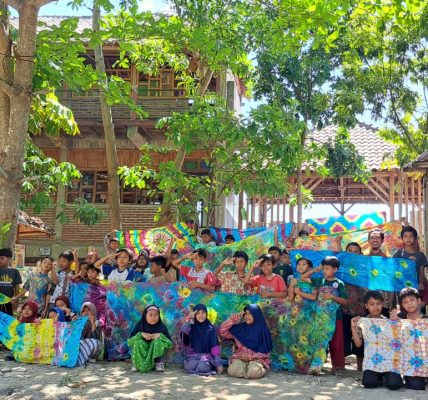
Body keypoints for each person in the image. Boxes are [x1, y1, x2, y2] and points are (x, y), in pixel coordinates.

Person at [350, 291, 399, 388]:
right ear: (366, 306)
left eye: (378, 303)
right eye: (372, 304)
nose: (375, 307)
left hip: (388, 361)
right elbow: (358, 344)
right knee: (369, 383)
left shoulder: (389, 322)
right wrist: (353, 328)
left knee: (394, 384)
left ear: (382, 304)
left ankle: (386, 377)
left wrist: (397, 324)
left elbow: (398, 342)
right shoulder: (363, 322)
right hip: (372, 362)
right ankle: (380, 377)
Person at [312, 256, 348, 375]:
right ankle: (317, 366)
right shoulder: (319, 281)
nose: (324, 271)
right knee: (319, 341)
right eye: (323, 268)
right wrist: (314, 270)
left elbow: (345, 301)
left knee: (336, 342)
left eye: (327, 268)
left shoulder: (340, 284)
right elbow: (303, 278)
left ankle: (337, 367)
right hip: (320, 318)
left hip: (336, 317)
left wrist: (332, 296)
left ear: (335, 269)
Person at [219, 304, 272, 379]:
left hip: (257, 359)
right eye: (246, 314)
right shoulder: (241, 328)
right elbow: (223, 331)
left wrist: (250, 357)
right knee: (232, 371)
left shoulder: (263, 331)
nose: (247, 316)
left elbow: (266, 353)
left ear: (256, 315)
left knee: (254, 372)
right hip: (240, 358)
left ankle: (252, 370)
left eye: (250, 314)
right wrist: (233, 320)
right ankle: (246, 371)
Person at [390, 288, 427, 390]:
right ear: (402, 305)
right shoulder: (399, 317)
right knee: (393, 383)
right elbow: (391, 339)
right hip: (401, 359)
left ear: (419, 301)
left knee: (417, 386)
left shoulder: (426, 320)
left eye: (412, 300)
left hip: (419, 362)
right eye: (405, 302)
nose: (409, 304)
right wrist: (393, 323)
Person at [342, 242, 366, 369]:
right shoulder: (341, 267)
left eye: (355, 251)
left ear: (360, 254)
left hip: (360, 309)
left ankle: (360, 366)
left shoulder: (364, 268)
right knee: (344, 336)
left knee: (360, 337)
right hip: (344, 308)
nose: (352, 253)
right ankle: (340, 365)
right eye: (349, 250)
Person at [127, 304, 173, 373]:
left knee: (158, 341)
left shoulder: (162, 327)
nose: (153, 317)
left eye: (156, 315)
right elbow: (129, 342)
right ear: (145, 316)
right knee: (138, 342)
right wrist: (141, 334)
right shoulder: (140, 326)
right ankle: (136, 364)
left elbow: (170, 344)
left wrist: (160, 335)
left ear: (159, 316)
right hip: (141, 354)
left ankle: (157, 363)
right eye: (150, 315)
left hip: (155, 355)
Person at [181, 304, 223, 375]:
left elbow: (214, 346)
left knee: (202, 367)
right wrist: (189, 319)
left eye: (203, 313)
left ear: (206, 314)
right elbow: (183, 331)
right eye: (198, 313)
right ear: (195, 315)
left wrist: (218, 363)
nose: (201, 315)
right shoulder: (191, 326)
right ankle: (198, 368)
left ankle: (202, 368)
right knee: (190, 366)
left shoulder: (210, 328)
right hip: (193, 356)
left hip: (206, 357)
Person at [393, 226, 428, 308]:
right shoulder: (398, 254)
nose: (408, 239)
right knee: (404, 309)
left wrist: (421, 283)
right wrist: (406, 264)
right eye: (405, 236)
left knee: (417, 308)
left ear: (415, 239)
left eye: (411, 236)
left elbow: (421, 270)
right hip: (402, 287)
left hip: (416, 288)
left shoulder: (420, 255)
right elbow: (395, 270)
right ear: (402, 238)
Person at [76, 302, 103, 366]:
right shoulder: (80, 323)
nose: (86, 313)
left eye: (89, 311)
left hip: (93, 346)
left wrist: (92, 323)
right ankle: (84, 358)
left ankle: (87, 357)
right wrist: (76, 323)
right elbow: (77, 336)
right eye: (84, 311)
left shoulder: (97, 323)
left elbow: (95, 338)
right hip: (83, 345)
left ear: (93, 312)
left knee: (94, 343)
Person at [0, 248, 22, 316]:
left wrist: (16, 301)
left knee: (7, 322)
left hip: (9, 302)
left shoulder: (14, 272)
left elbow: (16, 287)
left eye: (2, 258)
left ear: (9, 259)